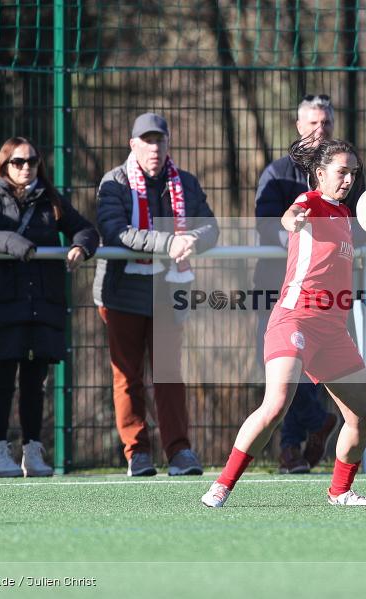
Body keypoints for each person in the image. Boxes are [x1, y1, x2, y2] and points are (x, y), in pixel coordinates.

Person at [202, 137, 366, 508]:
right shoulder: (308, 203)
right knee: (276, 404)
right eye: (341, 172)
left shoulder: (347, 217)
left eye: (353, 174)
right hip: (294, 319)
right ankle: (221, 485)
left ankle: (340, 492)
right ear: (319, 173)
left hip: (333, 331)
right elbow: (291, 215)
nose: (348, 180)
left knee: (363, 415)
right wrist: (292, 219)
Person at [93, 112, 219, 477]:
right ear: (133, 145)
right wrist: (169, 242)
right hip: (121, 294)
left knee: (168, 374)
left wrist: (193, 239)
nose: (154, 147)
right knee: (127, 376)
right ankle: (138, 453)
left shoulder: (186, 184)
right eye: (146, 140)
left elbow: (211, 227)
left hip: (169, 292)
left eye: (159, 140)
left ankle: (180, 452)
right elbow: (116, 232)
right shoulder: (114, 183)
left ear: (168, 143)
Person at [0, 137, 99, 477]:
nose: (26, 167)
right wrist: (16, 244)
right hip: (1, 303)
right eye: (17, 161)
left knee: (35, 381)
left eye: (32, 161)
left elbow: (85, 229)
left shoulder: (50, 200)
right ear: (4, 165)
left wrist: (81, 247)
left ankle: (32, 451)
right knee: (1, 379)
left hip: (41, 304)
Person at [253, 94, 366, 474]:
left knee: (316, 382)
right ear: (298, 126)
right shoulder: (279, 175)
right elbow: (273, 221)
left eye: (326, 124)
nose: (320, 130)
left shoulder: (346, 174)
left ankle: (298, 452)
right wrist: (300, 233)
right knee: (283, 381)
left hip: (330, 301)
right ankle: (298, 438)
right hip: (280, 288)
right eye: (313, 123)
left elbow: (357, 226)